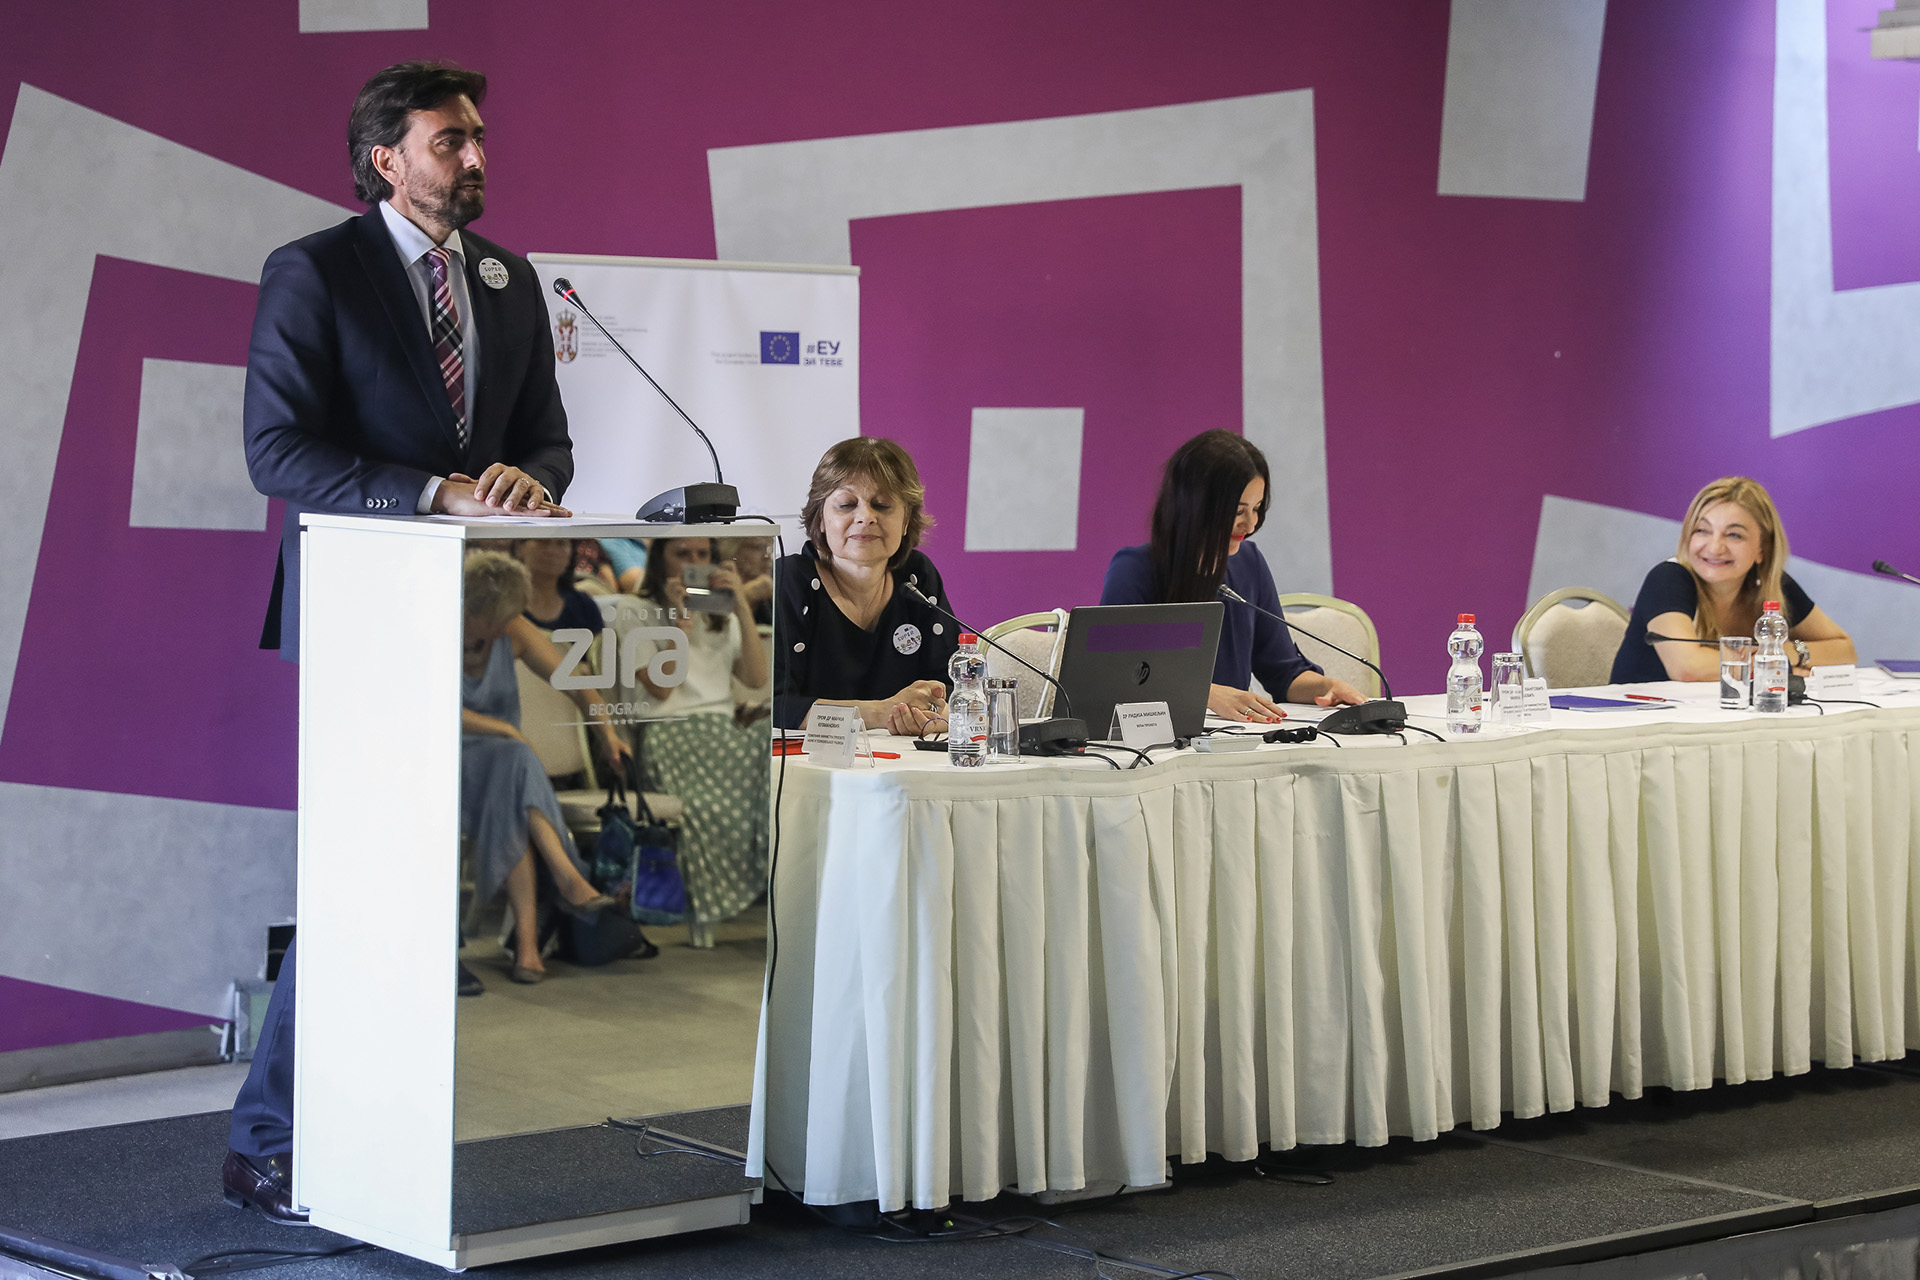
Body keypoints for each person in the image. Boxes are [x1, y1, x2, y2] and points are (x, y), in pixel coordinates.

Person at [226, 60, 574, 1227]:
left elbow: (547, 441)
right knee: (358, 880)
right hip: (365, 615)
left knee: (419, 887)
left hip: (466, 612)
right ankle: (270, 1140)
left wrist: (526, 479)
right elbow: (277, 450)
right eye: (448, 140)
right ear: (386, 159)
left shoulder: (508, 278)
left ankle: (385, 1124)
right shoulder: (315, 270)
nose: (475, 156)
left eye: (478, 137)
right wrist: (433, 491)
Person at [1100, 430, 1365, 722]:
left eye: (1257, 509)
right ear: (1197, 505)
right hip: (1152, 739)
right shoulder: (1134, 569)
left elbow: (1283, 672)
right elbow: (1116, 676)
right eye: (1238, 511)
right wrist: (1206, 694)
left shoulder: (1249, 563)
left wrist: (1327, 687)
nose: (1250, 525)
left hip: (1232, 738)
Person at [461, 552, 631, 979]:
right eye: (498, 619)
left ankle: (529, 945)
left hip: (505, 768)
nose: (506, 627)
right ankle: (564, 886)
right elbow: (431, 707)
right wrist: (506, 729)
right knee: (516, 760)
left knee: (513, 779)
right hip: (450, 765)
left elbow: (578, 684)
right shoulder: (438, 624)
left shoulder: (511, 629)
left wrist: (608, 736)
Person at [628, 539, 771, 948]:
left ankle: (775, 874)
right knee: (711, 805)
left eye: (702, 555)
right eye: (682, 554)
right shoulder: (636, 610)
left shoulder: (719, 610)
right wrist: (680, 624)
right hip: (671, 728)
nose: (694, 563)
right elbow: (661, 688)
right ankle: (715, 903)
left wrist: (741, 605)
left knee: (777, 746)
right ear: (660, 559)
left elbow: (756, 678)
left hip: (721, 729)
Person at [773, 439, 958, 733]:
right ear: (821, 518)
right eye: (847, 505)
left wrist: (933, 713)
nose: (865, 517)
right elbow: (770, 707)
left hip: (907, 757)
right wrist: (879, 713)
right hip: (811, 759)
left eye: (882, 505)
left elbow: (951, 687)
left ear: (906, 521)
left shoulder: (918, 577)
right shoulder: (788, 581)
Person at [1610, 476, 1855, 683]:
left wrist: (1787, 653)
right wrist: (1774, 666)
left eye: (1734, 535)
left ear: (1763, 549)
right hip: (1641, 722)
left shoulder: (1771, 584)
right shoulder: (1668, 579)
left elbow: (1845, 651)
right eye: (1702, 530)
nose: (1715, 548)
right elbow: (1688, 668)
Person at [512, 538, 605, 634]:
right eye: (542, 541)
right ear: (519, 548)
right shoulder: (506, 604)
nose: (551, 551)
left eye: (561, 544)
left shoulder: (584, 606)